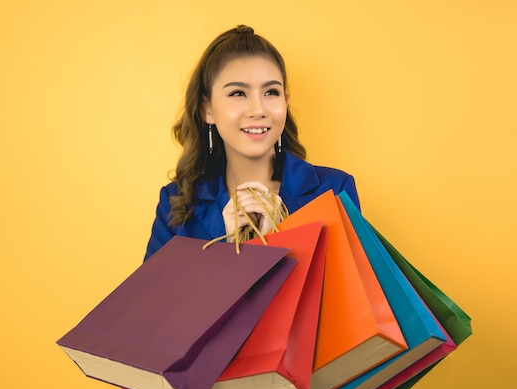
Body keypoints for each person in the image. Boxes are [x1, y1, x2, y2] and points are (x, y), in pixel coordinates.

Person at [144, 25, 360, 260]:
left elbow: (353, 294)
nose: (258, 110)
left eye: (271, 92)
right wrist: (227, 255)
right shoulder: (176, 204)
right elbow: (153, 297)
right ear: (207, 110)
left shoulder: (335, 192)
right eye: (238, 93)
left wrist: (282, 241)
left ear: (285, 102)